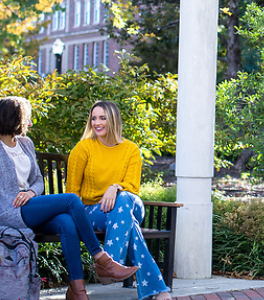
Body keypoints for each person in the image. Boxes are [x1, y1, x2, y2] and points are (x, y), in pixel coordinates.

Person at [0, 96, 138, 300]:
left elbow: (38, 180)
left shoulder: (25, 144)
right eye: (26, 117)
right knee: (71, 200)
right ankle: (102, 258)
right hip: (9, 210)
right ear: (14, 118)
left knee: (66, 222)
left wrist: (30, 192)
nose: (29, 123)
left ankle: (77, 289)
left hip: (30, 205)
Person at [65, 101, 172, 300]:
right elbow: (71, 193)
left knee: (123, 200)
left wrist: (114, 187)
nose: (97, 123)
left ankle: (110, 261)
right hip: (94, 211)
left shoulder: (130, 150)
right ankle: (158, 289)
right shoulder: (83, 148)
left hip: (128, 202)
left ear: (113, 120)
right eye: (94, 118)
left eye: (102, 118)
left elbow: (133, 186)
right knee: (129, 224)